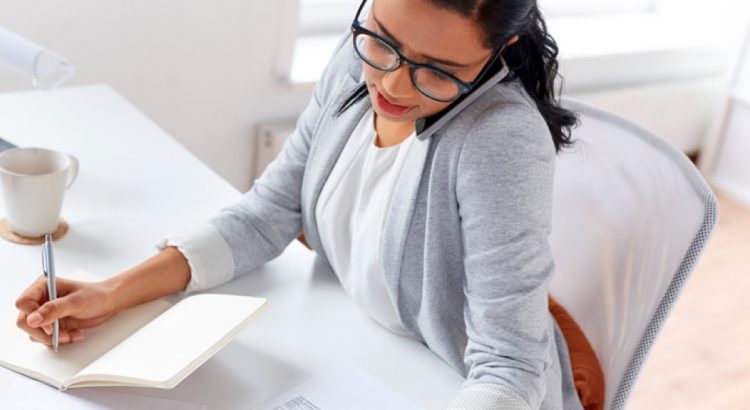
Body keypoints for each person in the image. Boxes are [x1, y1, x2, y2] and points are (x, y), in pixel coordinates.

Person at [15, 0, 583, 408]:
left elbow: (510, 367)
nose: (393, 85)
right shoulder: (355, 60)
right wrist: (112, 294)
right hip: (357, 350)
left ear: (499, 51)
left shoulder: (500, 140)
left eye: (437, 72)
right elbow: (268, 213)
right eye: (384, 41)